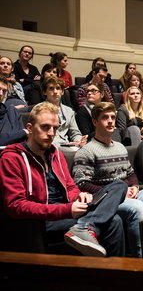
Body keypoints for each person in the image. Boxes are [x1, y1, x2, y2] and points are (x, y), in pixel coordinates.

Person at [0, 102, 126, 257]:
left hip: (69, 209)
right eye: (45, 127)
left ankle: (86, 228)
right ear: (30, 128)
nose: (51, 133)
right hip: (45, 219)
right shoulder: (12, 158)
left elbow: (70, 186)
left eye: (55, 128)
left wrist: (79, 196)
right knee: (114, 221)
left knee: (119, 186)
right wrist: (67, 210)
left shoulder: (57, 155)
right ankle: (109, 271)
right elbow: (15, 206)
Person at [72, 102, 143, 258]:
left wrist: (134, 186)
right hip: (106, 201)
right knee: (137, 207)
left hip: (129, 194)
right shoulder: (86, 151)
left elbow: (131, 173)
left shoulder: (120, 147)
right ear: (95, 122)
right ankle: (138, 259)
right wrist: (118, 194)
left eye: (113, 117)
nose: (111, 121)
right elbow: (82, 184)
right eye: (105, 117)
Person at [42, 76, 87, 149]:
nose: (55, 91)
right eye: (51, 88)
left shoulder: (69, 111)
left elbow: (74, 132)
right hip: (49, 146)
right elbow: (41, 134)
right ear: (44, 92)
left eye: (58, 88)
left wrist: (79, 140)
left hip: (67, 146)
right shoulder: (39, 109)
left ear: (62, 92)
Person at [0, 74, 28, 146]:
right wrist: (22, 132)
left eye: (4, 91)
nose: (1, 93)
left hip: (14, 153)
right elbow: (22, 133)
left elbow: (23, 139)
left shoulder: (12, 111)